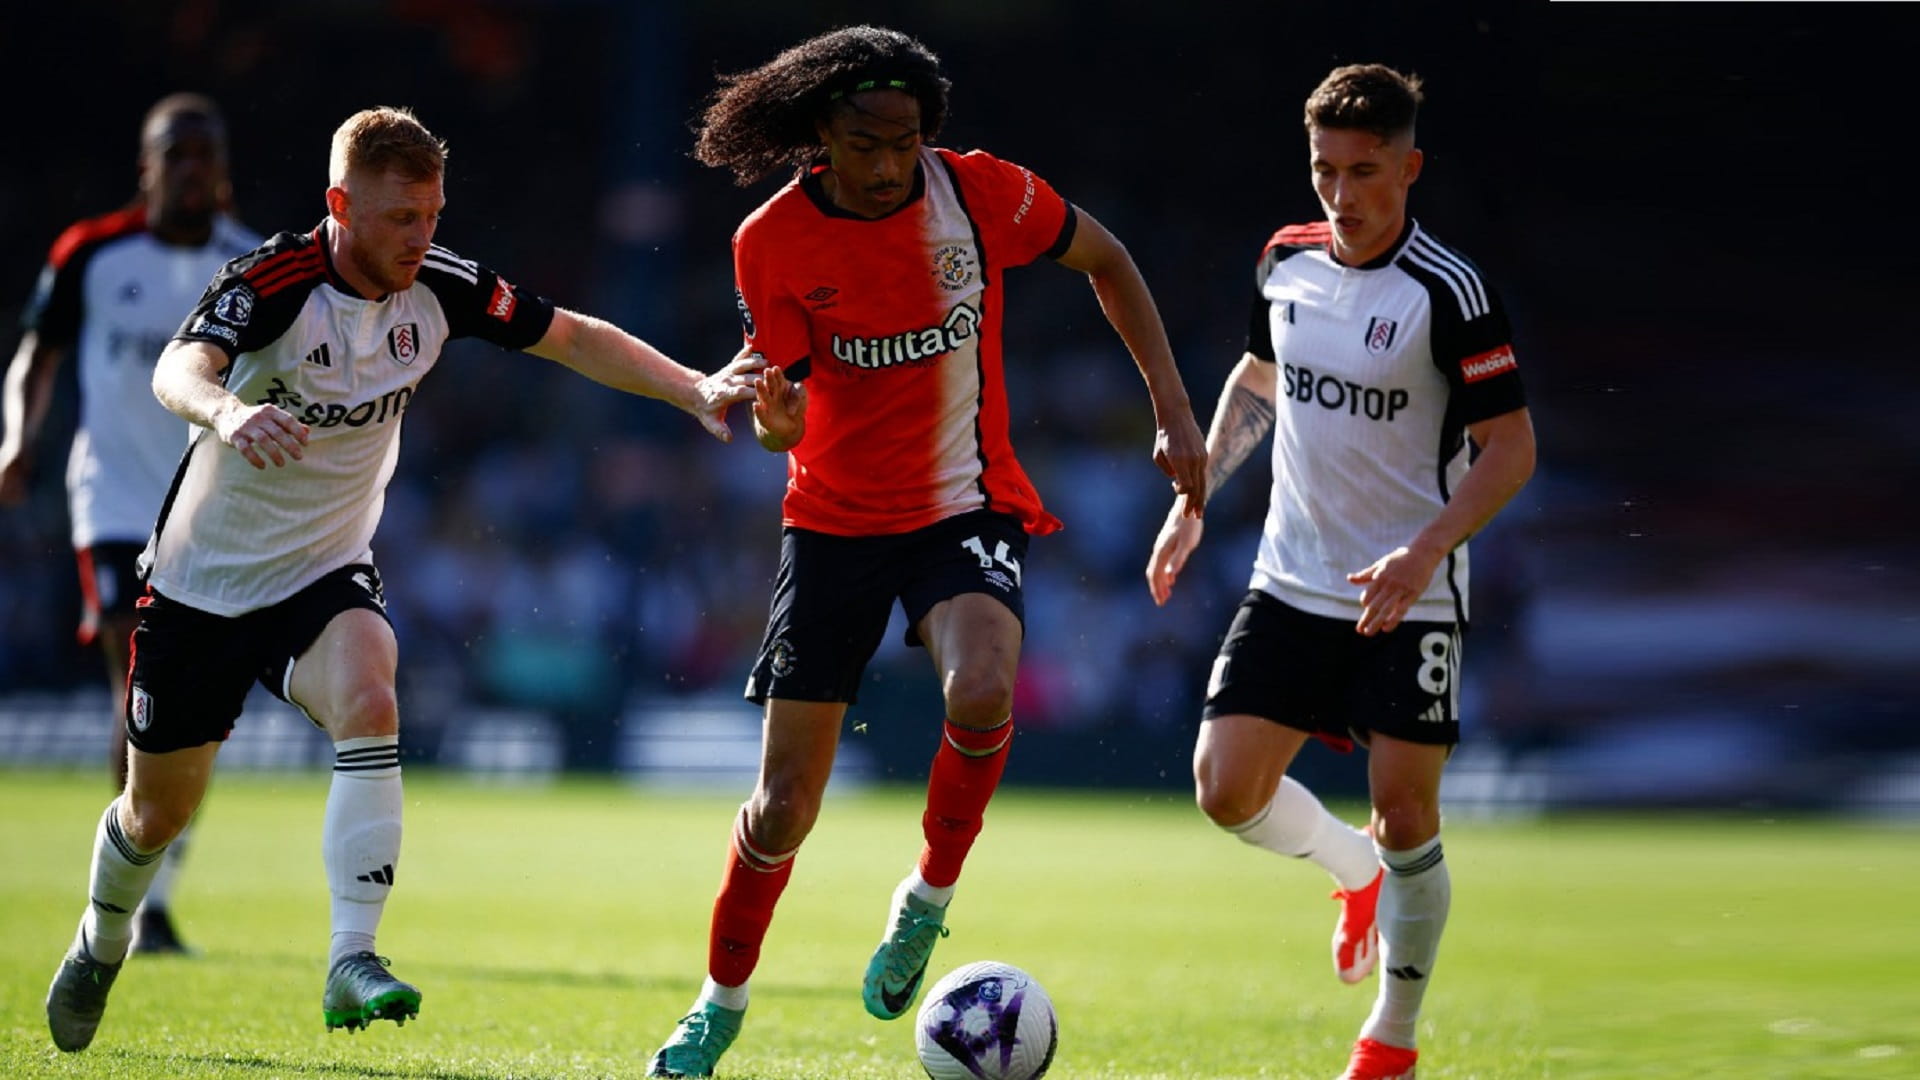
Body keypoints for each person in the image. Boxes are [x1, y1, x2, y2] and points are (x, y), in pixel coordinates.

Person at [42, 105, 762, 1054]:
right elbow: (181, 366)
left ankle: (352, 956)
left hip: (325, 571)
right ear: (339, 205)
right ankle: (103, 938)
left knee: (374, 693)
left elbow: (574, 336)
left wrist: (693, 386)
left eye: (431, 214)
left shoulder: (443, 286)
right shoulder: (272, 281)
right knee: (154, 812)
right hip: (201, 588)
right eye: (398, 219)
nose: (421, 239)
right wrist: (226, 414)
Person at [643, 25, 1208, 1079]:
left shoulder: (982, 196)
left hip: (964, 505)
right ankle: (717, 1005)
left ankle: (925, 901)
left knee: (987, 684)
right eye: (865, 142)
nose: (887, 165)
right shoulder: (770, 242)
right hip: (832, 524)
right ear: (820, 133)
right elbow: (783, 418)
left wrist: (1172, 411)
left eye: (904, 142)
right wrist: (772, 419)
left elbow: (1108, 259)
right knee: (783, 808)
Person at [1145, 64, 1535, 1080]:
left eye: (1365, 172)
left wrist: (1424, 551)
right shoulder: (1284, 261)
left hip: (1411, 596)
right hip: (1292, 577)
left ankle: (1391, 1042)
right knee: (1225, 792)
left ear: (1410, 168)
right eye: (1326, 170)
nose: (1343, 194)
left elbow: (1511, 448)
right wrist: (1193, 503)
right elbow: (1258, 378)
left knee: (1409, 812)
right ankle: (1348, 867)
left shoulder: (1450, 294)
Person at [1, 94, 260, 955]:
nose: (192, 168)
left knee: (193, 701)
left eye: (206, 153)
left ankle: (158, 882)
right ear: (147, 167)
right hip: (110, 498)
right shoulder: (93, 253)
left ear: (221, 168)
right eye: (176, 154)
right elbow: (38, 355)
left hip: (204, 507)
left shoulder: (251, 265)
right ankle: (131, 888)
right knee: (133, 660)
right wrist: (16, 441)